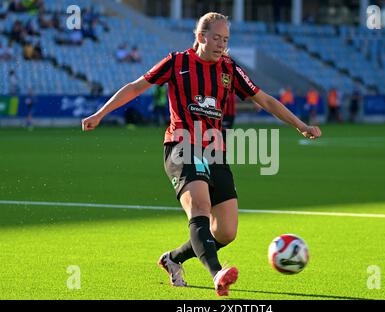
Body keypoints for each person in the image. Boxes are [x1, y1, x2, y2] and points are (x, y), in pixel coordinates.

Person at [81, 12, 321, 296]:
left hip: (215, 151)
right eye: (217, 38)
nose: (222, 44)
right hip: (181, 145)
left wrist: (301, 125)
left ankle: (173, 259)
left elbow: (264, 100)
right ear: (200, 36)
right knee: (200, 209)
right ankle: (217, 273)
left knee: (227, 231)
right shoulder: (176, 62)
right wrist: (101, 113)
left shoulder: (229, 69)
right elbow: (136, 87)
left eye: (226, 39)